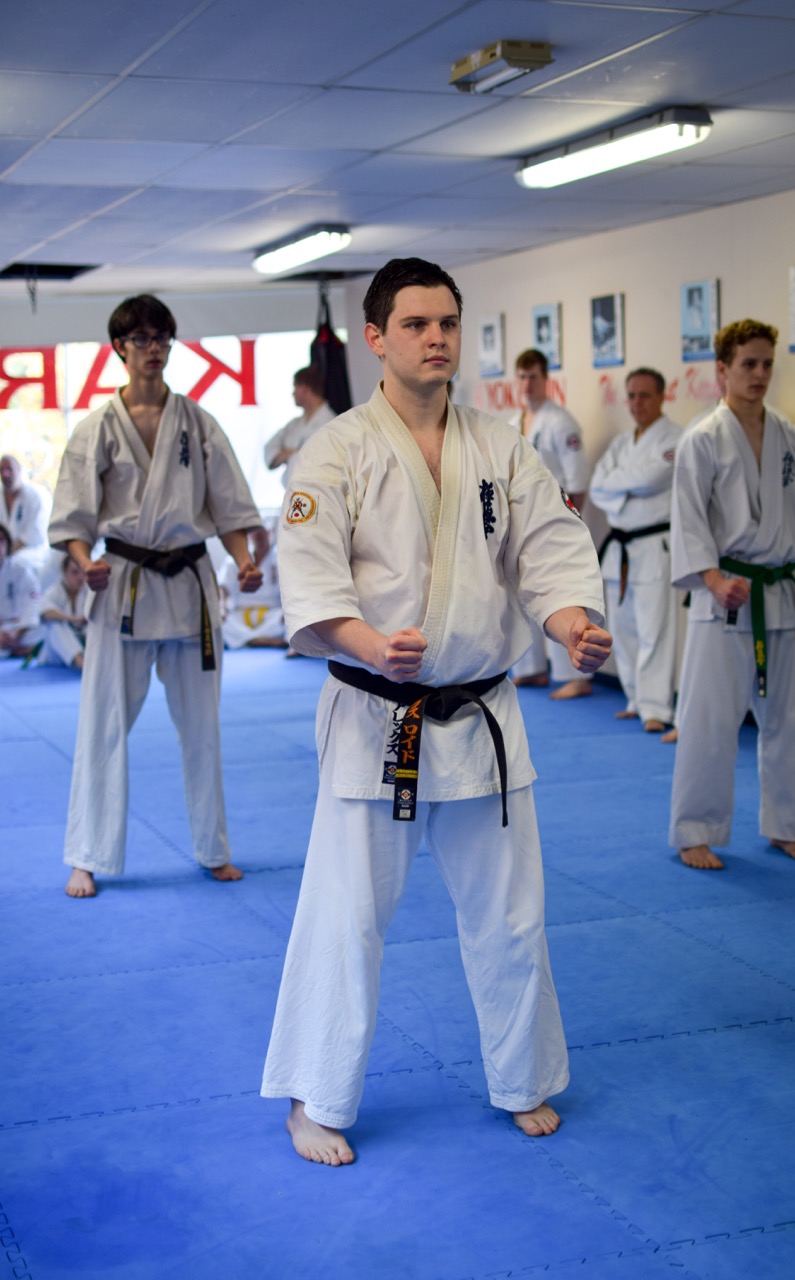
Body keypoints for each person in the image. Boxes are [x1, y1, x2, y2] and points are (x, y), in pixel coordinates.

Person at [260, 257, 612, 1166]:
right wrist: (371, 644)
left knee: (511, 916)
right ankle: (313, 1098)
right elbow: (309, 582)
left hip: (481, 716)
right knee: (346, 919)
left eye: (447, 323)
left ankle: (522, 1077)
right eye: (416, 324)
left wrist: (573, 627)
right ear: (376, 338)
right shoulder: (334, 450)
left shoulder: (501, 445)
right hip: (377, 716)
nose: (436, 338)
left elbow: (547, 554)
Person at [48, 293, 263, 899]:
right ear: (119, 348)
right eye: (141, 339)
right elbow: (74, 518)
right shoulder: (96, 429)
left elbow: (229, 506)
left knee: (203, 729)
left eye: (162, 338)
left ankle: (213, 849)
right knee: (102, 725)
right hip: (123, 585)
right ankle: (86, 855)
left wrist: (244, 561)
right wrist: (85, 563)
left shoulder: (199, 423)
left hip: (190, 585)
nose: (154, 349)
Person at [668, 318, 795, 871]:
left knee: (790, 721)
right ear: (722, 370)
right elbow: (688, 519)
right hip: (725, 599)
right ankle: (694, 831)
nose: (760, 374)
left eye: (767, 363)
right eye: (748, 364)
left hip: (784, 596)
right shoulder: (702, 440)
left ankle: (788, 825)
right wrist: (712, 579)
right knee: (709, 722)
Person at [590, 368, 681, 732]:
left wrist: (619, 486)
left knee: (654, 630)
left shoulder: (676, 439)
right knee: (624, 628)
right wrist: (626, 489)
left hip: (654, 545)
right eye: (632, 395)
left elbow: (651, 479)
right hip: (621, 547)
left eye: (645, 395)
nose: (637, 403)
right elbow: (597, 487)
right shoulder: (621, 444)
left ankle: (656, 707)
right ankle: (635, 699)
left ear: (662, 396)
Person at [508, 348, 593, 699]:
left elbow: (577, 480)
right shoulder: (513, 422)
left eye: (534, 377)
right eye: (522, 377)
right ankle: (532, 669)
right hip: (522, 523)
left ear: (546, 380)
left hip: (555, 521)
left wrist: (570, 525)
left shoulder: (561, 422)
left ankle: (575, 677)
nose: (528, 384)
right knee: (523, 595)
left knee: (560, 596)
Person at [218, 523, 286, 649]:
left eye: (262, 534)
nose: (258, 538)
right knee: (221, 621)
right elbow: (223, 588)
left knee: (289, 620)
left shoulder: (281, 557)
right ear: (247, 537)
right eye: (255, 535)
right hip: (240, 614)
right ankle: (262, 640)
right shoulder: (236, 560)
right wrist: (221, 608)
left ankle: (246, 640)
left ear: (270, 533)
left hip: (271, 614)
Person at [264, 366, 335, 486]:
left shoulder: (331, 423)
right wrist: (293, 453)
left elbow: (314, 461)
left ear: (305, 389)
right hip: (293, 492)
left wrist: (290, 453)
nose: (293, 393)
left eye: (295, 387)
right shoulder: (294, 424)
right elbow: (270, 447)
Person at [37, 554, 91, 670]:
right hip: (56, 652)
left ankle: (91, 662)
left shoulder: (88, 590)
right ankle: (81, 664)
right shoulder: (55, 590)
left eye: (83, 572)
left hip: (82, 642)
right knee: (55, 625)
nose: (80, 577)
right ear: (64, 572)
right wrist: (73, 618)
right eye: (74, 572)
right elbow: (45, 612)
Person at [0, 454, 51, 573]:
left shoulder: (36, 495)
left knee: (16, 562)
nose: (5, 474)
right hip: (4, 550)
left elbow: (35, 535)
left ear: (19, 470)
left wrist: (7, 552)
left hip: (33, 552)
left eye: (9, 469)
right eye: (1, 470)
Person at [0, 522, 42, 658]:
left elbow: (32, 605)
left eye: (1, 540)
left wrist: (17, 633)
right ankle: (17, 650)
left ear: (7, 544)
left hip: (18, 628)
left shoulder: (21, 571)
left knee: (48, 629)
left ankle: (13, 648)